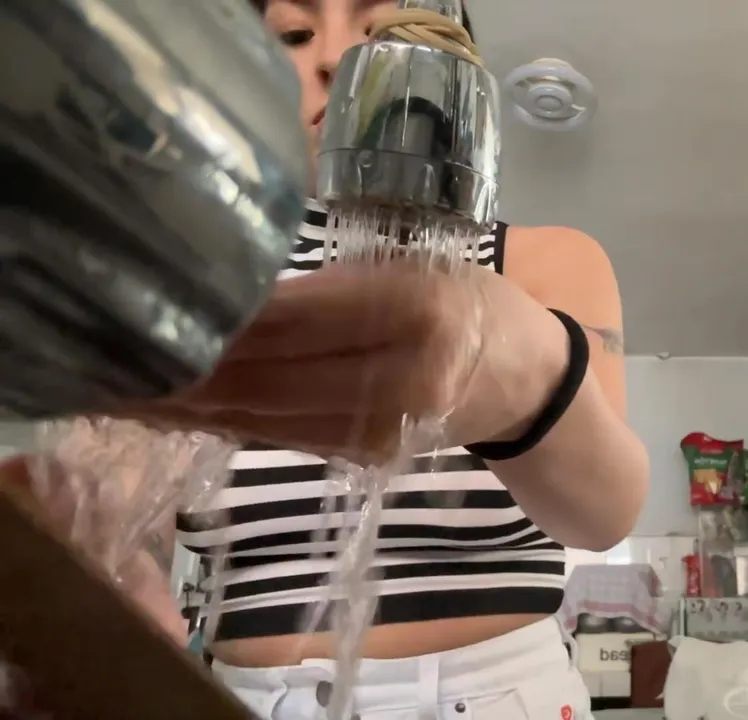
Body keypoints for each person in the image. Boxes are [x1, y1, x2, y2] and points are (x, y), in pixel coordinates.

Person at [4, 1, 649, 718]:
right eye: (294, 33)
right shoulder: (187, 275)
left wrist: (524, 373)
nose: (339, 59)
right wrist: (106, 571)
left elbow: (607, 513)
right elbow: (117, 513)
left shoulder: (540, 261)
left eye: (377, 30)